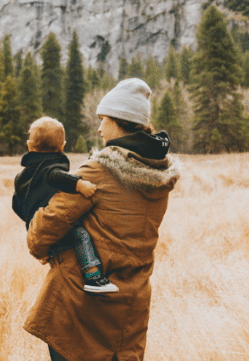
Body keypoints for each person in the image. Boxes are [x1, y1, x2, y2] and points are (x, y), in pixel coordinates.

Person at [24, 78, 179, 361]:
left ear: (119, 121)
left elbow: (43, 231)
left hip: (80, 308)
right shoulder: (159, 177)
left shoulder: (97, 172)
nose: (98, 128)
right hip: (130, 308)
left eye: (103, 119)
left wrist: (39, 239)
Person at [12, 116, 119, 294]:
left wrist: (30, 216)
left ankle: (54, 251)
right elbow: (55, 176)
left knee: (62, 246)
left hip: (35, 225)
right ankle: (92, 276)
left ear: (29, 145)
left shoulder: (22, 176)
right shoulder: (51, 167)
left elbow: (16, 204)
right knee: (81, 235)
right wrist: (79, 185)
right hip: (51, 223)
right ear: (63, 146)